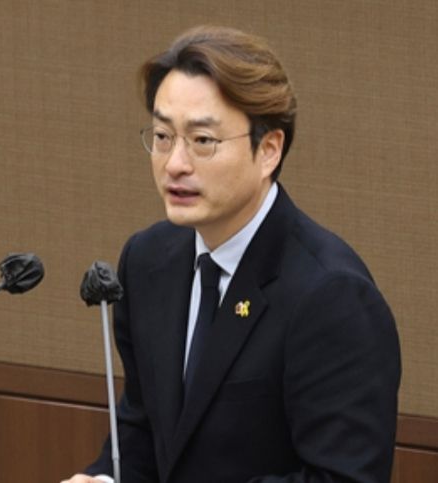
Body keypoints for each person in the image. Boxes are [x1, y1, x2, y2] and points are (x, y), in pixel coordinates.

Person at [62, 25, 401, 483]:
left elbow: (342, 478)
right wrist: (104, 480)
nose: (175, 163)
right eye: (162, 136)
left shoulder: (332, 297)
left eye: (203, 141)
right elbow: (144, 432)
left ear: (269, 150)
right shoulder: (148, 261)